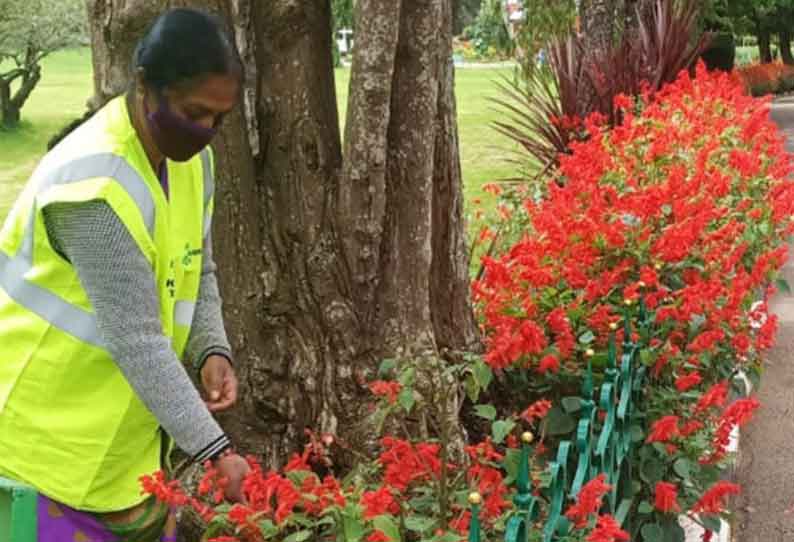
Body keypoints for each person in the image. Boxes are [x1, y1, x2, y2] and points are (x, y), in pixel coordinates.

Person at [0, 8, 251, 541]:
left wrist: (212, 347)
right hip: (35, 446)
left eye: (219, 119)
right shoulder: (93, 187)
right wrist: (215, 450)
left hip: (115, 453)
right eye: (193, 112)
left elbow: (197, 263)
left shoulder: (192, 162)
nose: (205, 132)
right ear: (144, 86)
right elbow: (136, 339)